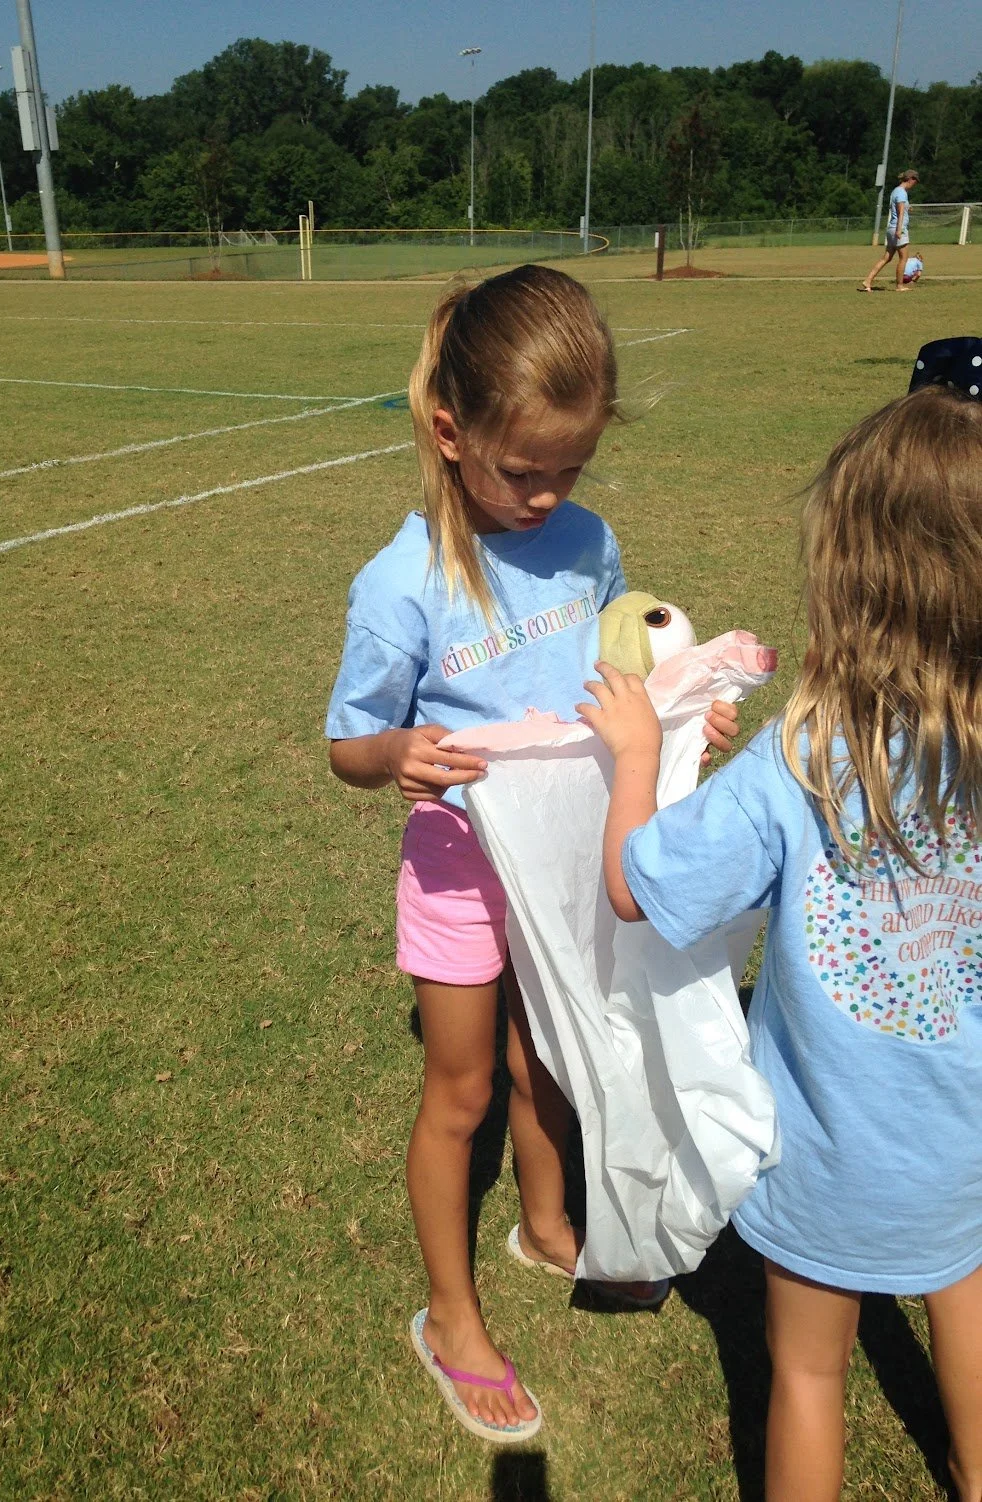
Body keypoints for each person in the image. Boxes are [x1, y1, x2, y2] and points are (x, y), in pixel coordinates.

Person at [325, 264, 740, 1442]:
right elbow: (348, 746)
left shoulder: (585, 540)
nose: (548, 494)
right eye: (523, 471)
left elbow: (613, 677)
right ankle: (450, 1316)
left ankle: (548, 1224)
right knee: (463, 1090)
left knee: (549, 1053)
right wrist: (397, 753)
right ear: (449, 433)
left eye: (573, 466)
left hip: (561, 852)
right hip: (459, 867)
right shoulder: (401, 584)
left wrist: (680, 708)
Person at [580, 382, 982, 1501]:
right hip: (963, 1139)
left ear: (843, 582)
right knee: (966, 1294)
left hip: (824, 1157)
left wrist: (634, 757)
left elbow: (633, 887)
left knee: (806, 1371)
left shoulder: (798, 759)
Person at [861, 168, 920, 292]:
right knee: (904, 258)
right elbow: (900, 212)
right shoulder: (902, 193)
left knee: (886, 258)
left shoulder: (896, 191)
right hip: (898, 229)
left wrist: (908, 208)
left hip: (891, 229)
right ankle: (899, 285)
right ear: (910, 179)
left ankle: (868, 280)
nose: (914, 185)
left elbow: (900, 208)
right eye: (915, 182)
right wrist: (899, 230)